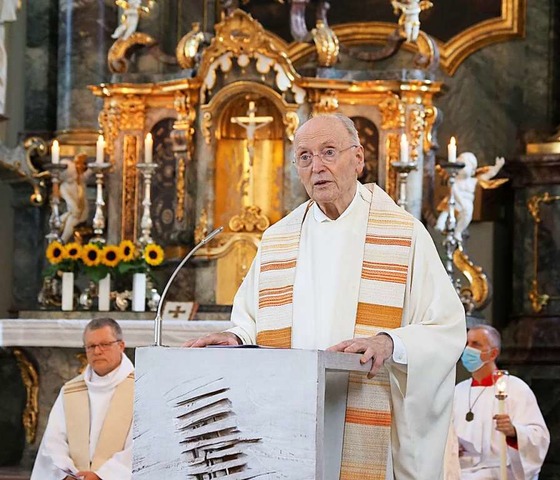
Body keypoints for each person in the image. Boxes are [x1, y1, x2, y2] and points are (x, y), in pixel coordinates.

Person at [185, 113, 467, 479]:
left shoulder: (403, 234)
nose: (316, 166)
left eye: (328, 152)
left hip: (366, 410)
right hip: (291, 414)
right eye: (304, 157)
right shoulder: (278, 239)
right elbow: (251, 321)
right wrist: (236, 338)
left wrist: (389, 342)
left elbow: (445, 326)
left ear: (358, 159)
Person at [31, 318, 134, 480]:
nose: (97, 351)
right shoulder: (70, 391)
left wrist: (102, 476)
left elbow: (141, 446)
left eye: (105, 344)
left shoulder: (139, 388)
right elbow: (53, 442)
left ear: (121, 346)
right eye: (91, 346)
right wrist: (66, 474)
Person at [454, 325, 550, 479]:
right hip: (461, 469)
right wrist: (452, 447)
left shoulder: (516, 388)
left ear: (493, 354)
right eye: (466, 343)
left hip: (500, 471)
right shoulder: (458, 391)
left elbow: (539, 437)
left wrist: (514, 432)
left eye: (475, 344)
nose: (468, 349)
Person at [435, 153, 505, 242]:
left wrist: (497, 167)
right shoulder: (453, 180)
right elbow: (454, 191)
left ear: (472, 171)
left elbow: (488, 175)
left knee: (467, 215)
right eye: (459, 164)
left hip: (467, 202)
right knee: (448, 208)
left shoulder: (473, 181)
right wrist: (461, 202)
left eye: (464, 165)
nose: (461, 168)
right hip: (456, 200)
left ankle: (458, 231)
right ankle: (441, 223)